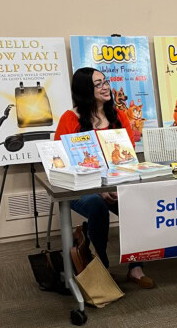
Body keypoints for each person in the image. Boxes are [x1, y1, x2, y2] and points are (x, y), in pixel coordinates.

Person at [55, 67, 155, 289]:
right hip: (79, 186)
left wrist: (117, 187)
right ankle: (101, 268)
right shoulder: (70, 119)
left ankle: (136, 268)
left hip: (115, 183)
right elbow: (62, 162)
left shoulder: (118, 116)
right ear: (85, 90)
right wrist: (99, 188)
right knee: (97, 205)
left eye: (105, 81)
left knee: (136, 204)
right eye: (98, 84)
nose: (106, 87)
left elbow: (128, 159)